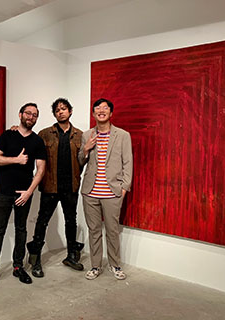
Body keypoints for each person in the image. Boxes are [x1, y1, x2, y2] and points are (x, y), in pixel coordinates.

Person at [0, 103, 46, 291]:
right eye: (28, 113)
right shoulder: (7, 135)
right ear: (21, 114)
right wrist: (16, 159)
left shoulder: (37, 142)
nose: (31, 117)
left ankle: (18, 267)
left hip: (24, 193)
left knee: (21, 230)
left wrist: (29, 191)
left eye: (35, 115)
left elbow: (40, 170)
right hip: (3, 192)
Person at [25, 98, 85, 278]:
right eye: (57, 110)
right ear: (54, 114)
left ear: (70, 111)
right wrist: (14, 129)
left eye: (64, 109)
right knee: (42, 222)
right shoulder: (44, 134)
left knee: (71, 221)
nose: (60, 112)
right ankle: (35, 259)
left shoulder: (81, 135)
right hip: (50, 187)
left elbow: (83, 160)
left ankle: (72, 256)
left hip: (71, 187)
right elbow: (27, 140)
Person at [78, 98, 133, 280]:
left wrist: (124, 188)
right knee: (94, 231)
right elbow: (80, 161)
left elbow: (128, 162)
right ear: (93, 114)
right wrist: (85, 149)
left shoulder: (123, 135)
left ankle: (115, 265)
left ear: (111, 113)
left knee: (112, 230)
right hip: (90, 192)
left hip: (112, 192)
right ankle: (95, 266)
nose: (101, 111)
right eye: (97, 108)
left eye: (105, 108)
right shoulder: (87, 135)